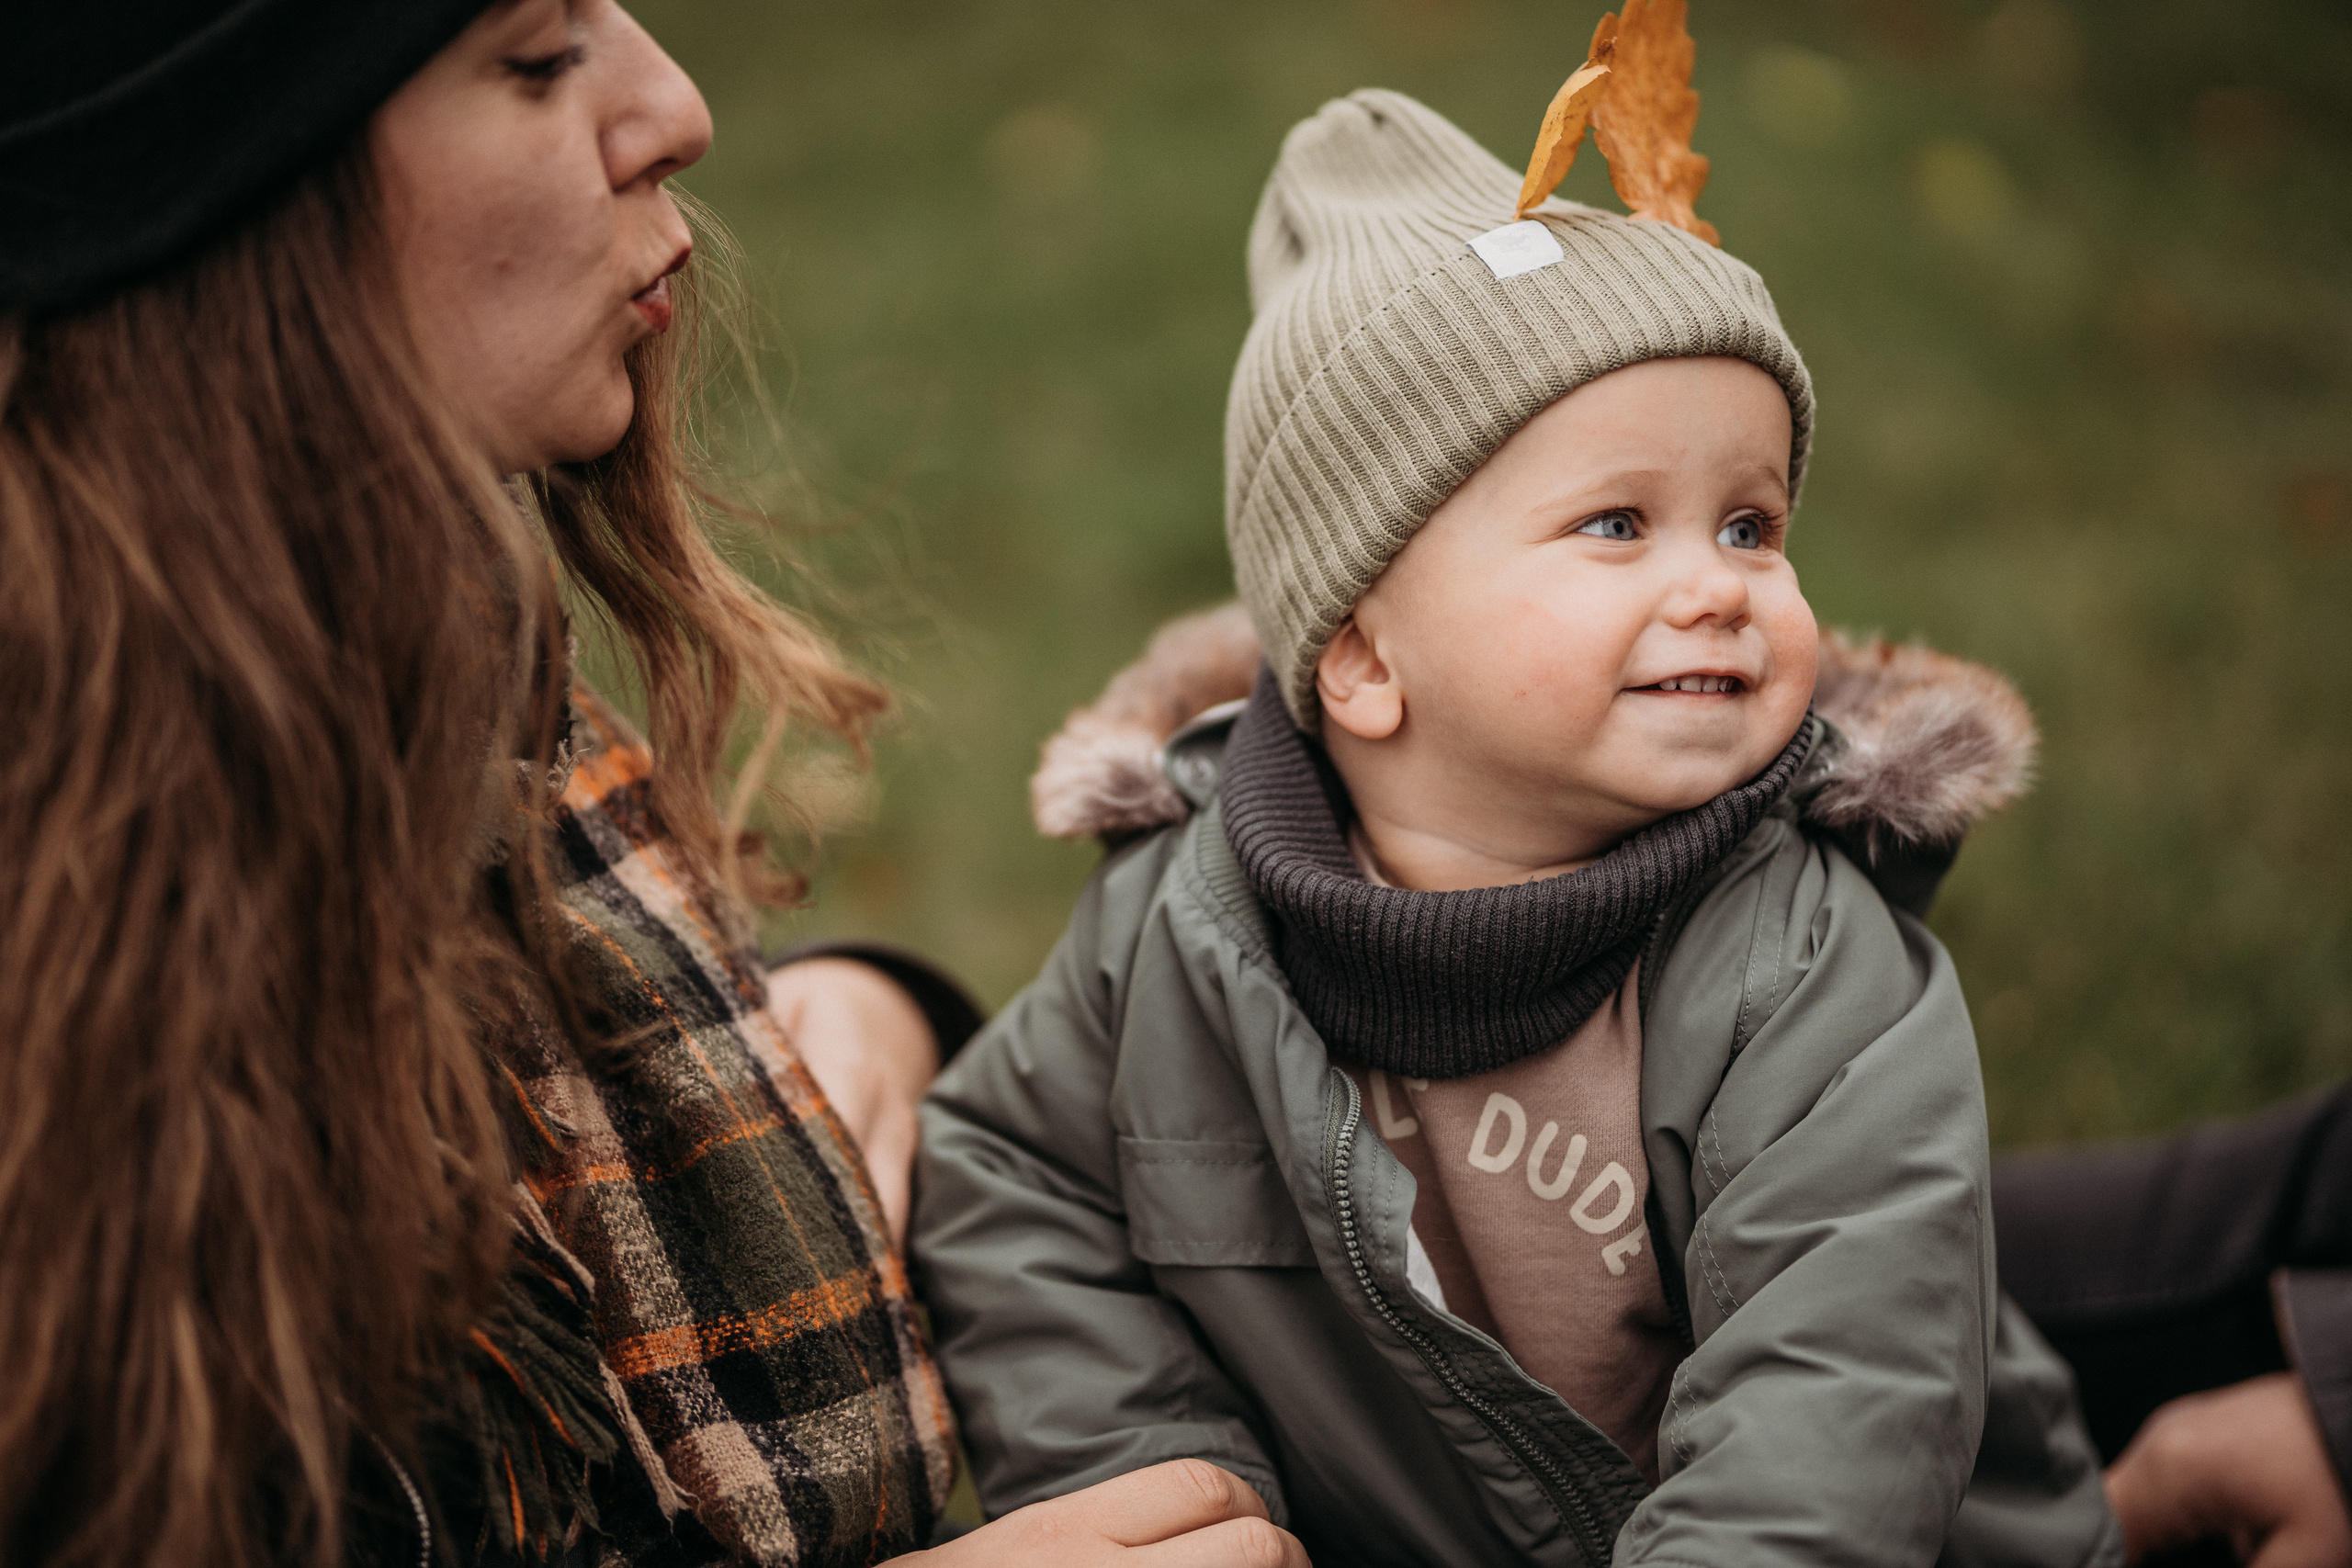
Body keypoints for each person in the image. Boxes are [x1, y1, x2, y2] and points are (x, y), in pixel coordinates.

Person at [0, 4, 1306, 1566]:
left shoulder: (425, 665)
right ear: (212, 188)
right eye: (541, 57)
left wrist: (849, 1024)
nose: (674, 108)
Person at [910, 74, 2121, 1566]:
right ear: (1362, 658)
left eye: (1751, 524)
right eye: (1619, 524)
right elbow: (1014, 1179)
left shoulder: (1811, 979)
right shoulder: (1176, 939)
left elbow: (1828, 1427)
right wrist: (1170, 1489)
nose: (1722, 583)